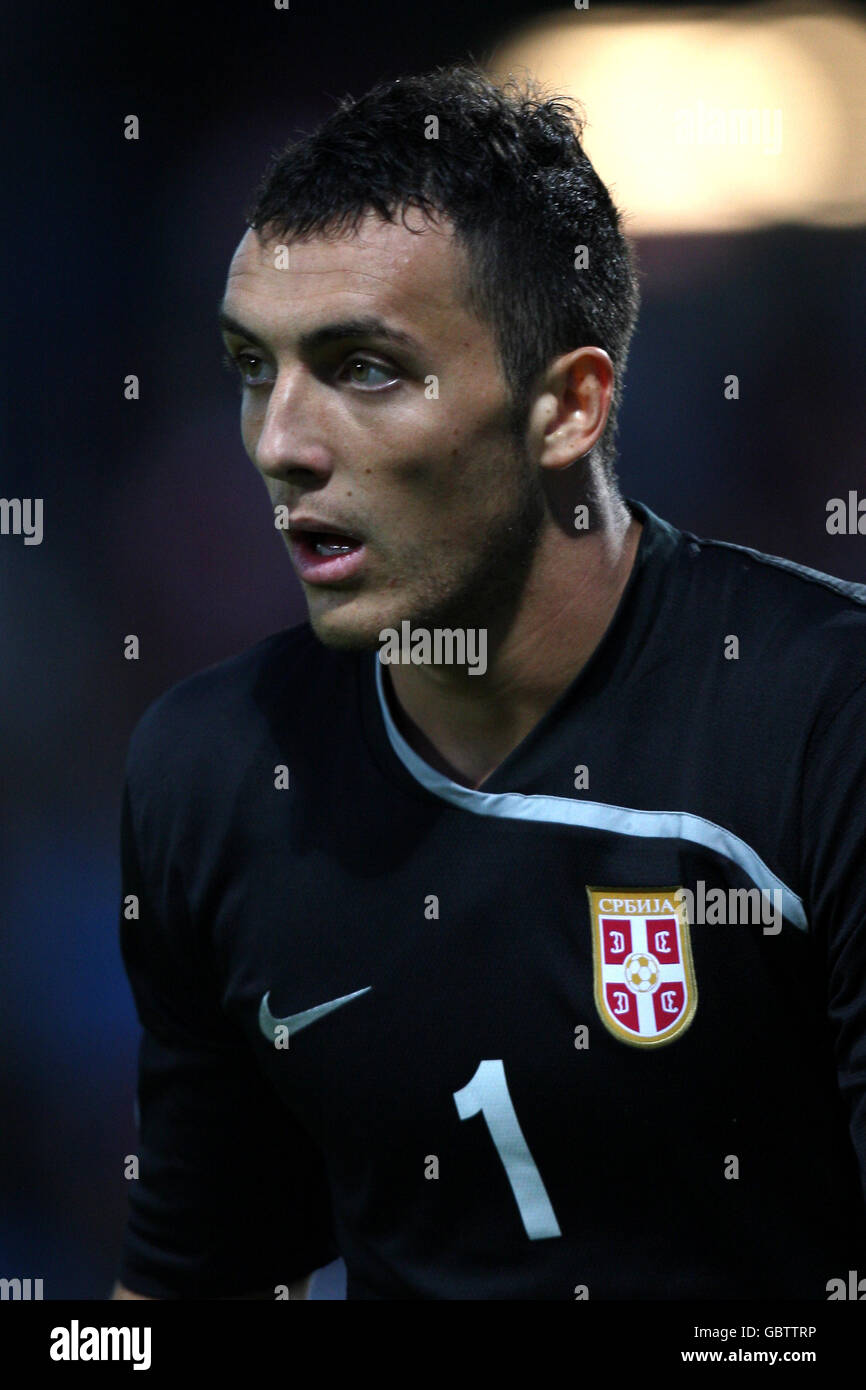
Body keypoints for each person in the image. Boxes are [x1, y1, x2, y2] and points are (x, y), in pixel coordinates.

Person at [112, 63, 866, 1301]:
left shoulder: (820, 729)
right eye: (255, 365)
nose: (279, 444)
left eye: (360, 368)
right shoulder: (213, 772)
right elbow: (184, 1289)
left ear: (567, 407)